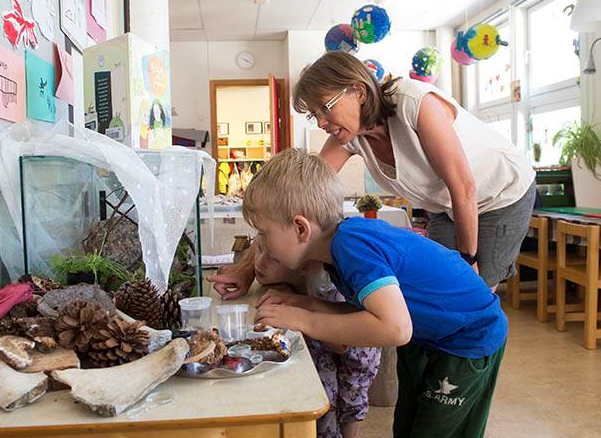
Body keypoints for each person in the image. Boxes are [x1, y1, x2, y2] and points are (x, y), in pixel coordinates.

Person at [209, 52, 535, 298]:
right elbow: (291, 197)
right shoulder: (349, 136)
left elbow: (463, 186)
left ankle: (468, 379)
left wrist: (468, 260)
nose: (321, 122)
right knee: (431, 289)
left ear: (358, 91)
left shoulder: (415, 104)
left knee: (470, 294)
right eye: (314, 115)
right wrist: (248, 267)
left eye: (325, 108)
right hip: (447, 207)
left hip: (499, 195)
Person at [243, 149, 507, 438]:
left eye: (264, 234)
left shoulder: (351, 246)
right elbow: (368, 315)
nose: (263, 244)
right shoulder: (337, 250)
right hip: (430, 336)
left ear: (300, 227)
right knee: (407, 427)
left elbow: (394, 328)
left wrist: (303, 320)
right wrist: (305, 304)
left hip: (467, 338)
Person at [250, 240, 381, 438]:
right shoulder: (292, 269)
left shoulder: (332, 290)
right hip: (324, 344)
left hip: (354, 353)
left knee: (351, 400)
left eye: (273, 259)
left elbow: (340, 344)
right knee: (325, 393)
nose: (259, 263)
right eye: (259, 250)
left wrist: (299, 316)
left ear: (303, 267)